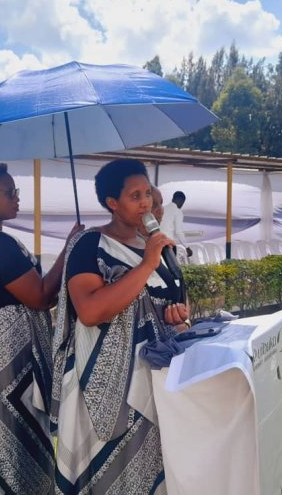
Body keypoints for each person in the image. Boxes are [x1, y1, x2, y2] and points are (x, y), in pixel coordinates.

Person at [51, 159, 189, 494]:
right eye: (134, 196)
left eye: (148, 194)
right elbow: (90, 311)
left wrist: (178, 316)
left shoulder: (155, 246)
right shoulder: (90, 244)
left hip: (156, 379)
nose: (146, 204)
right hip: (106, 388)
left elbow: (169, 303)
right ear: (112, 202)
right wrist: (147, 264)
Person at [0, 161, 82, 495]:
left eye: (16, 191)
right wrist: (70, 247)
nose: (17, 198)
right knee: (16, 437)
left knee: (15, 437)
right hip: (14, 365)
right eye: (9, 192)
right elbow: (40, 296)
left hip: (9, 358)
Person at [160, 190, 193, 258]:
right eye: (183, 203)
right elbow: (179, 232)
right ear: (181, 201)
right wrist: (187, 247)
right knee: (171, 264)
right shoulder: (178, 212)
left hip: (157, 243)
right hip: (168, 245)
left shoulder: (162, 208)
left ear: (173, 199)